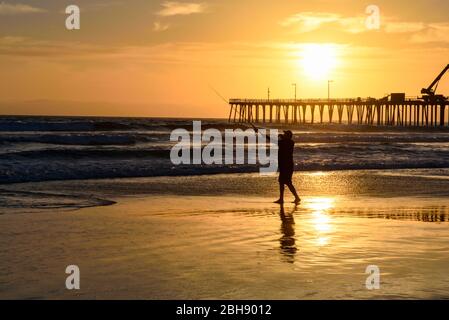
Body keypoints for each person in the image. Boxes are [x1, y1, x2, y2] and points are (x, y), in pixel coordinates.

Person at [275, 130, 300, 204]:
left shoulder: (284, 143)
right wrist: (282, 137)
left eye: (285, 134)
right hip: (286, 165)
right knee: (283, 182)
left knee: (286, 182)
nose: (283, 134)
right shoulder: (290, 142)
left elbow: (272, 140)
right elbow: (285, 141)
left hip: (286, 166)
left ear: (287, 136)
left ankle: (294, 198)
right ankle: (284, 198)